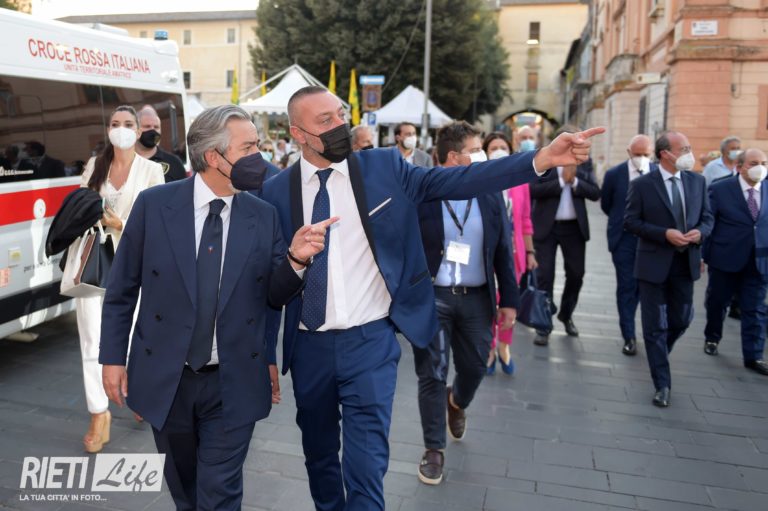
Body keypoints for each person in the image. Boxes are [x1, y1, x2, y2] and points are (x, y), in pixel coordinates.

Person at [260, 85, 603, 511]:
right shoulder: (275, 194)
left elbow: (463, 179)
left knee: (366, 467)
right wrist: (288, 280)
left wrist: (543, 158)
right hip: (309, 348)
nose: (339, 126)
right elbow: (268, 286)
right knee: (319, 456)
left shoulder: (384, 167)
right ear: (298, 133)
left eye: (341, 115)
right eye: (325, 121)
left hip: (370, 343)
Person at [99, 105, 333, 510]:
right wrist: (112, 359)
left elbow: (274, 296)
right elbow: (122, 289)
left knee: (219, 493)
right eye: (249, 147)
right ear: (213, 156)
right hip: (167, 377)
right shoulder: (155, 205)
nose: (259, 156)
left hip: (233, 380)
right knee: (185, 490)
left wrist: (296, 260)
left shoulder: (263, 216)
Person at [413, 122, 519, 485]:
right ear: (454, 157)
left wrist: (510, 300)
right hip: (434, 296)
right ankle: (433, 449)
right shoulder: (424, 193)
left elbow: (503, 248)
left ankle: (456, 402)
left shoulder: (489, 193)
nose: (483, 155)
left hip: (477, 298)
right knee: (432, 372)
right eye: (476, 150)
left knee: (474, 367)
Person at [76, 105, 165, 454]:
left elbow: (159, 221)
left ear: (138, 130)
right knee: (90, 340)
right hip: (95, 264)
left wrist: (121, 224)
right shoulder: (94, 166)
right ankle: (98, 414)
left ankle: (137, 392)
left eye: (128, 123)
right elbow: (78, 207)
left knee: (134, 336)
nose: (121, 128)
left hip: (134, 265)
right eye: (115, 123)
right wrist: (93, 217)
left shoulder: (151, 170)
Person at [624, 131, 713, 407]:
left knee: (681, 319)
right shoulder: (642, 185)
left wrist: (700, 232)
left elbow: (708, 217)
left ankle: (659, 352)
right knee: (654, 327)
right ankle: (662, 384)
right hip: (652, 264)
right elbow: (631, 222)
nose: (689, 153)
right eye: (683, 148)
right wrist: (664, 234)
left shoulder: (697, 181)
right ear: (665, 154)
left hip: (685, 263)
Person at [529, 126, 601, 346]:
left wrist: (575, 181)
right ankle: (543, 325)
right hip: (546, 227)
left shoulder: (584, 162)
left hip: (574, 228)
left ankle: (566, 314)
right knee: (545, 276)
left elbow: (595, 192)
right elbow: (532, 189)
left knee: (576, 274)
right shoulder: (545, 159)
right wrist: (561, 182)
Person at [702, 148, 768, 376]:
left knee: (755, 309)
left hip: (759, 260)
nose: (760, 168)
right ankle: (712, 337)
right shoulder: (720, 189)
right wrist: (703, 255)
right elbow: (708, 222)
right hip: (725, 258)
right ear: (739, 167)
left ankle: (754, 356)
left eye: (763, 163)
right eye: (753, 163)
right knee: (717, 301)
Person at [482, 132, 537, 374]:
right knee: (489, 301)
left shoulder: (520, 181)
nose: (498, 151)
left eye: (503, 147)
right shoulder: (478, 180)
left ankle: (505, 345)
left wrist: (530, 252)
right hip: (487, 251)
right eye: (493, 147)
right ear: (485, 152)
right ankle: (490, 348)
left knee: (509, 300)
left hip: (514, 252)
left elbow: (525, 220)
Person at [600, 135, 656, 355]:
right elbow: (606, 204)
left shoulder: (657, 173)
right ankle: (629, 335)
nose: (641, 158)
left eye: (645, 154)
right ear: (629, 152)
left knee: (644, 287)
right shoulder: (615, 174)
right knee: (626, 286)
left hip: (651, 240)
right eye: (637, 154)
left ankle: (646, 331)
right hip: (623, 239)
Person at [134, 106, 187, 182]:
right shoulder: (123, 162)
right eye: (147, 126)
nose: (152, 130)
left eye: (156, 127)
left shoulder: (174, 163)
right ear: (136, 129)